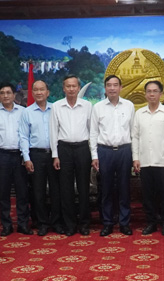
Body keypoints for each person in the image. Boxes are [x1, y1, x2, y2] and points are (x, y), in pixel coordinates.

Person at [90, 75, 135, 237]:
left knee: (124, 188)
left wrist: (134, 155)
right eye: (109, 85)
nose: (112, 88)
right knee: (106, 189)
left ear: (121, 88)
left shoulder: (129, 106)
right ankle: (107, 223)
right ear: (105, 88)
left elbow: (133, 132)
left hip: (124, 150)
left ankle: (124, 223)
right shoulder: (98, 107)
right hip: (105, 151)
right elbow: (93, 133)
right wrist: (94, 156)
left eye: (115, 85)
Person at [133, 81, 164, 236]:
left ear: (161, 94)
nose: (151, 94)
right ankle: (151, 222)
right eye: (149, 91)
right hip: (145, 161)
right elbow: (135, 137)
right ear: (145, 94)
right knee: (147, 195)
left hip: (163, 161)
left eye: (155, 91)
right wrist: (135, 158)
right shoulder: (139, 114)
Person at [0, 83, 30, 236]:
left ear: (14, 95)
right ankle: (6, 225)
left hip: (19, 156)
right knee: (4, 192)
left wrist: (26, 156)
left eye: (8, 93)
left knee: (22, 192)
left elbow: (26, 135)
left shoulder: (23, 112)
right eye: (2, 93)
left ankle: (23, 224)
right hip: (1, 155)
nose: (5, 95)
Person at [19, 80, 63, 236]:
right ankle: (42, 222)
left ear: (47, 92)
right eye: (35, 90)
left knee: (56, 190)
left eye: (42, 89)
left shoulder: (56, 109)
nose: (39, 92)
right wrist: (27, 158)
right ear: (32, 93)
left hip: (54, 154)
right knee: (38, 191)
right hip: (36, 154)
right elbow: (23, 136)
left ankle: (57, 222)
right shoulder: (27, 112)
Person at [50, 75, 93, 236]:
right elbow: (53, 132)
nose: (71, 89)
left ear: (78, 87)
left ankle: (84, 223)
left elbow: (92, 130)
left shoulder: (87, 106)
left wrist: (92, 153)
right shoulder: (56, 106)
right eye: (68, 86)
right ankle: (69, 224)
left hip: (82, 148)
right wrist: (55, 155)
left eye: (74, 86)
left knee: (83, 188)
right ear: (63, 88)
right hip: (64, 150)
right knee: (66, 189)